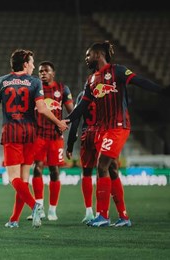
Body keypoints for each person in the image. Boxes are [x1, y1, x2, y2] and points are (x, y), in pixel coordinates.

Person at [66, 41, 168, 227]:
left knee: (101, 166)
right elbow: (82, 106)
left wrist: (162, 90)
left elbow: (139, 81)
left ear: (97, 54)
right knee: (112, 169)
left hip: (118, 126)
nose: (86, 58)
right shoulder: (91, 80)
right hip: (103, 129)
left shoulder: (117, 71)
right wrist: (67, 120)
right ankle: (124, 217)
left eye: (88, 55)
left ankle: (103, 216)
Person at [0, 49, 68, 228]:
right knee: (23, 180)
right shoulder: (34, 82)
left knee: (13, 179)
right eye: (31, 62)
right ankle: (14, 219)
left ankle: (35, 205)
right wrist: (58, 122)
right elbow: (43, 109)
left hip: (12, 131)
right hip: (30, 132)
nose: (33, 66)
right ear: (25, 64)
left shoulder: (3, 81)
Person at [27, 61, 74, 221]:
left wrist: (64, 125)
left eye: (46, 71)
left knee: (54, 171)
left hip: (55, 138)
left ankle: (53, 209)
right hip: (38, 136)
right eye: (40, 71)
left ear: (53, 73)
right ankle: (39, 207)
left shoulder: (62, 89)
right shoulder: (35, 88)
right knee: (37, 168)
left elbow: (71, 112)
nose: (42, 74)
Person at [66, 90, 98, 224]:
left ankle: (89, 211)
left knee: (86, 173)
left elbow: (75, 120)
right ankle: (104, 213)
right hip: (105, 134)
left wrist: (70, 145)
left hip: (87, 135)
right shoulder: (108, 91)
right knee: (106, 172)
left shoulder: (82, 95)